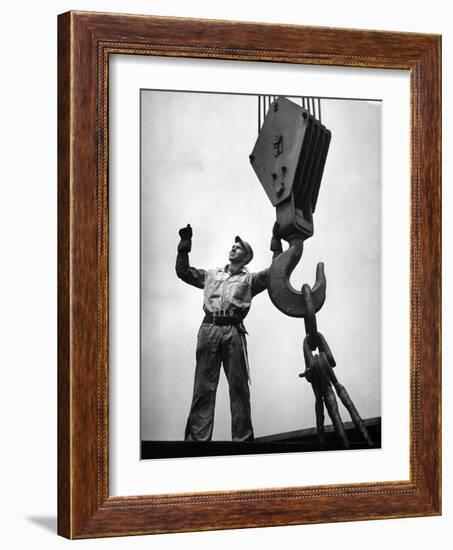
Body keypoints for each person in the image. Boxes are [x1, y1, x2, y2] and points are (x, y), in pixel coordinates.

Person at [176, 223, 282, 442]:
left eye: (239, 247)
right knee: (203, 387)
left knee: (239, 387)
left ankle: (242, 440)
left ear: (247, 257)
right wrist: (184, 247)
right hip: (209, 329)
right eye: (233, 246)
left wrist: (276, 243)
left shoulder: (250, 279)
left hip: (234, 331)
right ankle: (197, 442)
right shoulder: (212, 275)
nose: (233, 249)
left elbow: (276, 272)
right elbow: (183, 272)